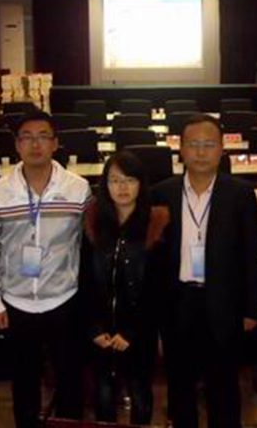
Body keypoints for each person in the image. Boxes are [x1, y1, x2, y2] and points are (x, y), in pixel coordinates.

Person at [0, 109, 91, 428]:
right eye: (27, 138)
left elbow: (89, 244)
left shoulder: (78, 188)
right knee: (24, 381)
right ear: (16, 145)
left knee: (69, 380)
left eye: (43, 137)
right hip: (16, 301)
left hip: (64, 298)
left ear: (55, 143)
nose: (35, 144)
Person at [152, 113, 257, 428]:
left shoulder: (240, 193)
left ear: (222, 149)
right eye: (194, 144)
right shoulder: (162, 193)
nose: (201, 152)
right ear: (181, 149)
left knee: (224, 384)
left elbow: (251, 253)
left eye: (209, 144)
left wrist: (251, 309)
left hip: (224, 302)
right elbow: (155, 258)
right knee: (179, 383)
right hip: (178, 301)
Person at [82, 151, 169, 425]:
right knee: (103, 394)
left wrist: (132, 331)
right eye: (115, 180)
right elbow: (85, 279)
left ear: (141, 184)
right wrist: (94, 328)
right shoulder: (93, 222)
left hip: (139, 331)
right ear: (104, 185)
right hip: (101, 330)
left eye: (130, 180)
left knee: (140, 391)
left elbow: (158, 288)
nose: (122, 187)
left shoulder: (156, 224)